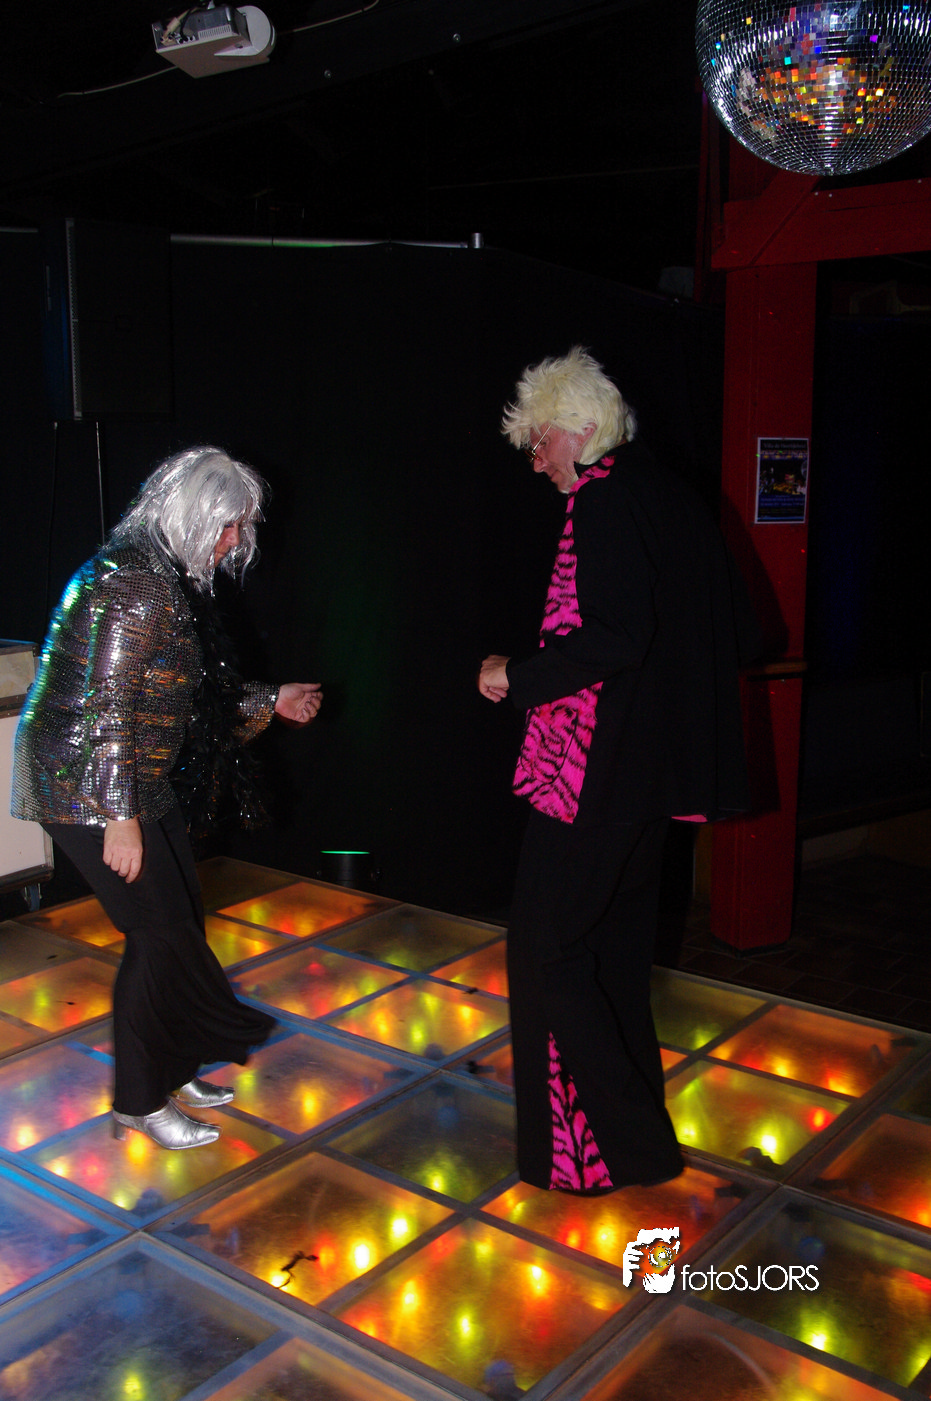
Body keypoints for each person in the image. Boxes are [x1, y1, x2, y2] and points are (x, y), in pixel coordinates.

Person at [478, 348, 757, 1195]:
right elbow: (744, 628)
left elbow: (612, 636)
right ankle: (618, 1150)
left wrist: (514, 676)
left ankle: (622, 1148)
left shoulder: (602, 497)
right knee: (611, 955)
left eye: (540, 441)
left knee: (546, 949)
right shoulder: (669, 494)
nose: (536, 461)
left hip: (594, 774)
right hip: (653, 777)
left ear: (582, 428)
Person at [11, 446, 322, 1151]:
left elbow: (189, 699)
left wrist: (271, 699)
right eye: (229, 525)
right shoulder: (135, 585)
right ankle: (139, 1101)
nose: (236, 541)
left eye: (241, 526)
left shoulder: (161, 575)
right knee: (156, 937)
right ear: (195, 515)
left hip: (130, 774)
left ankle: (173, 1067)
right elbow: (106, 708)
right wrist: (119, 817)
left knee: (180, 924)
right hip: (83, 781)